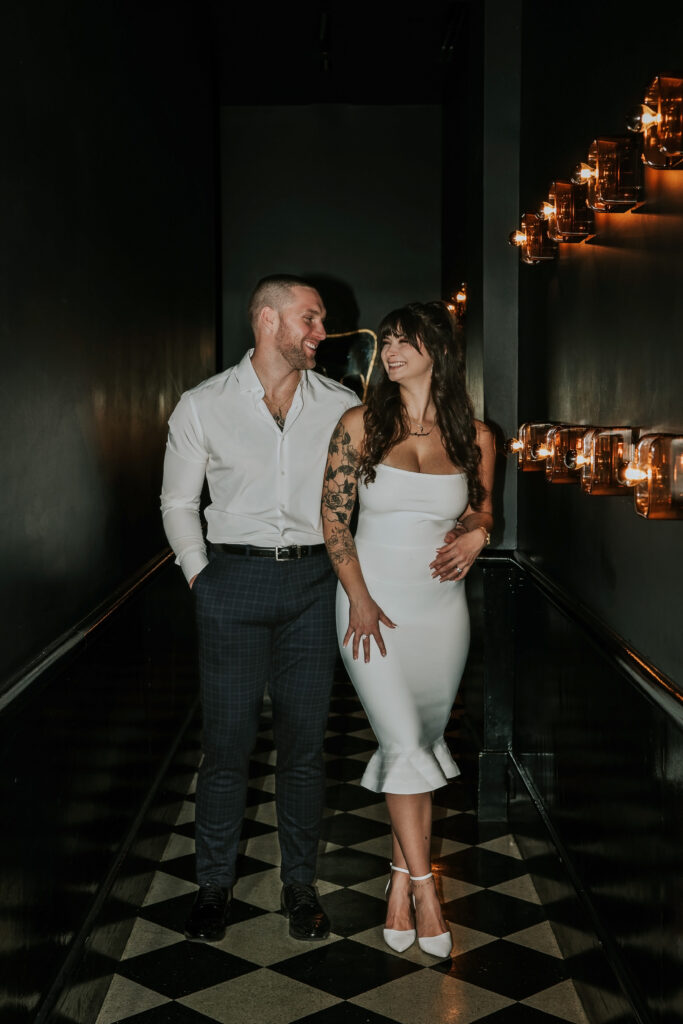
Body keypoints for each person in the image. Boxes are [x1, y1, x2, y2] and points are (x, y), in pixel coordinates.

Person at [161, 274, 360, 943]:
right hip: (231, 584)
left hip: (314, 585)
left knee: (304, 749)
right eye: (310, 319)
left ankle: (299, 886)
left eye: (322, 320)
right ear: (267, 320)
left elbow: (369, 490)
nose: (321, 333)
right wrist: (200, 576)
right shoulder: (202, 404)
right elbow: (176, 502)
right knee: (225, 749)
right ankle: (212, 888)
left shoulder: (340, 403)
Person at [321, 300, 494, 958]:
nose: (390, 350)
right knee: (399, 740)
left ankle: (395, 882)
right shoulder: (358, 424)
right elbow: (334, 523)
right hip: (371, 608)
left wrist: (477, 537)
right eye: (386, 340)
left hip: (440, 616)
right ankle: (425, 890)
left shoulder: (475, 437)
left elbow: (481, 514)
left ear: (438, 352)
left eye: (405, 340)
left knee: (416, 748)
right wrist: (358, 599)